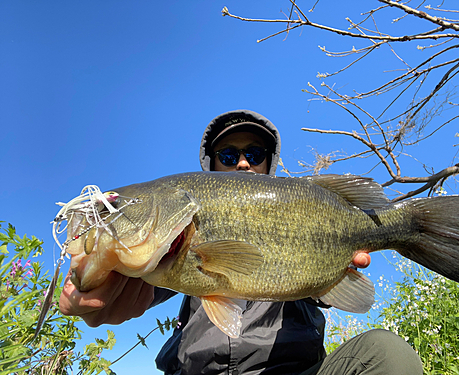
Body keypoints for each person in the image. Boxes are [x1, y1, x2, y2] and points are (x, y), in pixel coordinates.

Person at [60, 110, 423, 374]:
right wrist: (93, 294)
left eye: (256, 153)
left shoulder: (304, 206)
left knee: (388, 355)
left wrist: (327, 280)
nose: (244, 164)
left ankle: (414, 227)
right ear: (211, 166)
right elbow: (118, 289)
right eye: (229, 156)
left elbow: (339, 294)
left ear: (270, 163)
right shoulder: (168, 251)